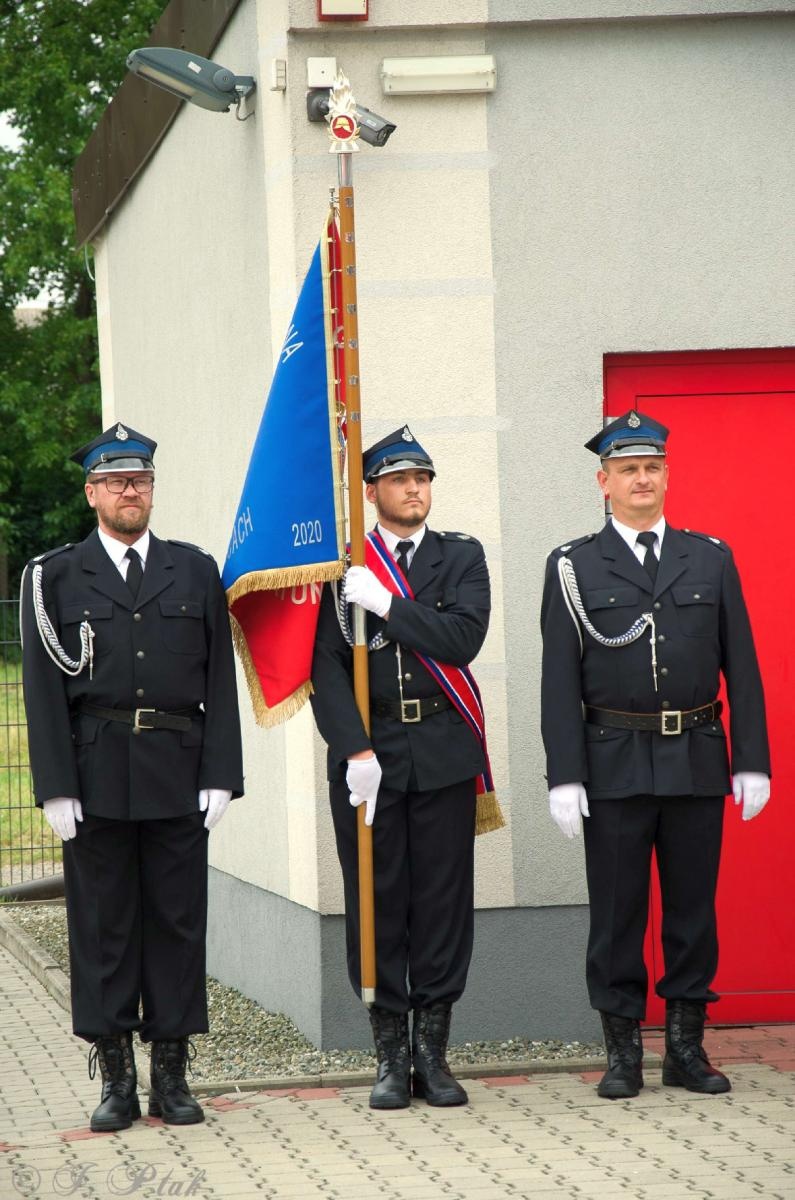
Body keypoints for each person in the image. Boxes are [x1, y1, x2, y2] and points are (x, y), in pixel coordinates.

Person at [540, 410, 770, 1099]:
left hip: (695, 754)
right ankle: (620, 1053)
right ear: (601, 481)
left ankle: (683, 1048)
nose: (642, 479)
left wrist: (750, 757)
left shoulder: (708, 557)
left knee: (691, 912)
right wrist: (564, 774)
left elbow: (743, 666)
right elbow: (558, 678)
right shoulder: (573, 567)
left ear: (666, 475)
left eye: (652, 467)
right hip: (612, 758)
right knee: (617, 913)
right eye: (627, 469)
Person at [21, 422, 244, 1131]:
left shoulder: (194, 569)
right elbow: (40, 688)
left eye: (140, 480)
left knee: (176, 925)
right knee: (103, 926)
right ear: (92, 493)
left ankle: (171, 1078)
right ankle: (116, 1076)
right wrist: (55, 784)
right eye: (116, 481)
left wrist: (221, 774)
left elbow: (219, 678)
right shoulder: (54, 576)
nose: (130, 491)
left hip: (178, 770)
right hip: (95, 775)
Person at [310, 426, 492, 1110]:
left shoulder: (460, 557)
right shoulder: (338, 570)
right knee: (376, 903)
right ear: (372, 492)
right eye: (400, 480)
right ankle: (388, 1056)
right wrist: (353, 748)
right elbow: (322, 669)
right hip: (371, 761)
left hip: (443, 753)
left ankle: (432, 1055)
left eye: (423, 479)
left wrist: (387, 604)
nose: (415, 489)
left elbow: (461, 637)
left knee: (441, 905)